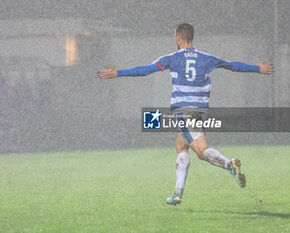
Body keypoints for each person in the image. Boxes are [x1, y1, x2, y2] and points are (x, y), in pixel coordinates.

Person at [97, 23, 274, 205]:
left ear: (178, 38)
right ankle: (177, 193)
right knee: (181, 145)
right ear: (192, 37)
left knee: (201, 151)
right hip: (197, 110)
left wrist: (117, 73)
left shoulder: (172, 58)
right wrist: (257, 69)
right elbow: (232, 65)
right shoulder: (208, 58)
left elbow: (145, 70)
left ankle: (229, 165)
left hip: (183, 111)